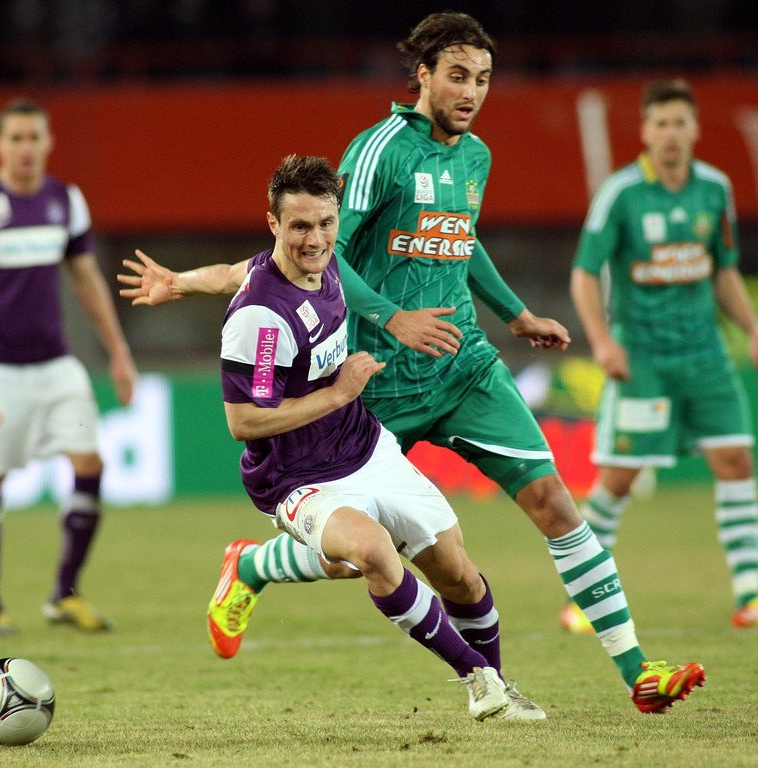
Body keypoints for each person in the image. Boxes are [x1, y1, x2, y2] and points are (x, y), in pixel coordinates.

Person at [119, 13, 705, 714]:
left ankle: (638, 672)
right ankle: (251, 564)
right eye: (457, 75)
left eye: (482, 78)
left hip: (464, 366)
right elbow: (323, 251)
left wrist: (515, 314)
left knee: (553, 503)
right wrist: (392, 318)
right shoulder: (379, 152)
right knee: (356, 555)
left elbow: (462, 240)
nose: (471, 91)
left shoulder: (476, 157)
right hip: (376, 380)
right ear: (422, 76)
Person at [198, 153, 546, 721]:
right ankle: (480, 680)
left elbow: (230, 271)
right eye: (300, 226)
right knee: (372, 553)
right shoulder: (260, 318)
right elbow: (244, 421)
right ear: (273, 223)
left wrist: (177, 283)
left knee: (457, 573)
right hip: (297, 478)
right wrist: (339, 393)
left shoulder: (324, 261)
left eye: (326, 223)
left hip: (364, 448)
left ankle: (250, 566)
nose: (315, 239)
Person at [0, 98, 136, 636]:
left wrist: (118, 351)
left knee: (90, 463)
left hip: (55, 366)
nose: (26, 148)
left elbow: (85, 276)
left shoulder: (65, 201)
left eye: (34, 137)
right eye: (16, 138)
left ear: (49, 143)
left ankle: (65, 594)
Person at [560, 78, 758, 634]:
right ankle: (585, 597)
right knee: (620, 477)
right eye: (661, 123)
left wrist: (751, 328)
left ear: (695, 129)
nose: (671, 133)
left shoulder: (714, 189)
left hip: (706, 355)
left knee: (736, 461)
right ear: (646, 132)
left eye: (680, 122)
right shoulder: (622, 193)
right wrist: (603, 342)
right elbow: (584, 274)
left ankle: (751, 592)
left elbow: (722, 270)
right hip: (642, 357)